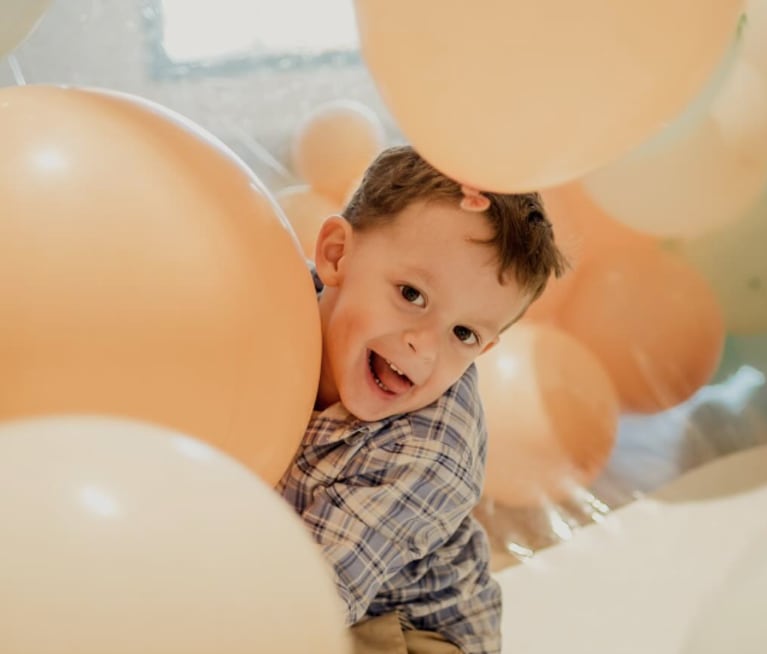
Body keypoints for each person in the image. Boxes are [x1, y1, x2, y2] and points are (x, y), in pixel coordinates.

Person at [277, 145, 567, 654]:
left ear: (487, 347)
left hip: (405, 627)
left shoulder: (429, 454)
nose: (425, 347)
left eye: (463, 333)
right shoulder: (271, 296)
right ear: (337, 255)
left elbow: (304, 607)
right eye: (411, 294)